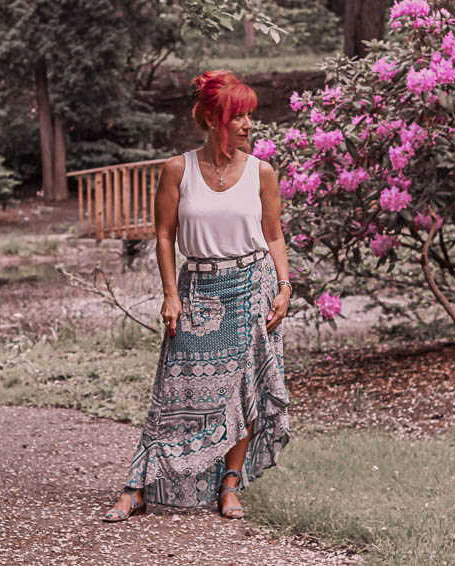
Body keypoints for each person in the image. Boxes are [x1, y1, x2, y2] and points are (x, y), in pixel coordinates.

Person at [103, 69, 291, 522]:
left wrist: (285, 286)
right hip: (197, 289)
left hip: (253, 286)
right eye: (238, 116)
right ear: (211, 119)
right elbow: (164, 236)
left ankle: (229, 485)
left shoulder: (261, 172)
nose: (248, 125)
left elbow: (274, 235)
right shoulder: (177, 170)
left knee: (244, 388)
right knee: (175, 388)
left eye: (251, 116)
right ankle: (139, 486)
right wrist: (171, 294)